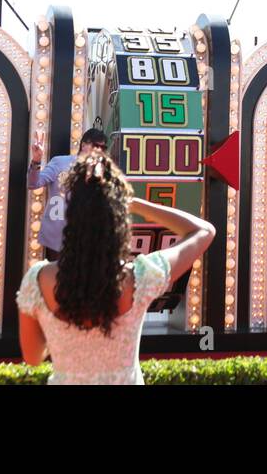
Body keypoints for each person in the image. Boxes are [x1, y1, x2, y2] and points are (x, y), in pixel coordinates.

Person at [17, 153, 214, 384]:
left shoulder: (38, 280)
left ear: (72, 214)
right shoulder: (140, 277)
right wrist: (135, 203)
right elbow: (203, 231)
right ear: (118, 217)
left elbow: (33, 358)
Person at [26, 127, 109, 261]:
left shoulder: (101, 173)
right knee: (57, 279)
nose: (98, 151)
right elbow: (33, 184)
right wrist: (36, 161)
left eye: (102, 148)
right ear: (83, 144)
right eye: (95, 146)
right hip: (57, 237)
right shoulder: (60, 162)